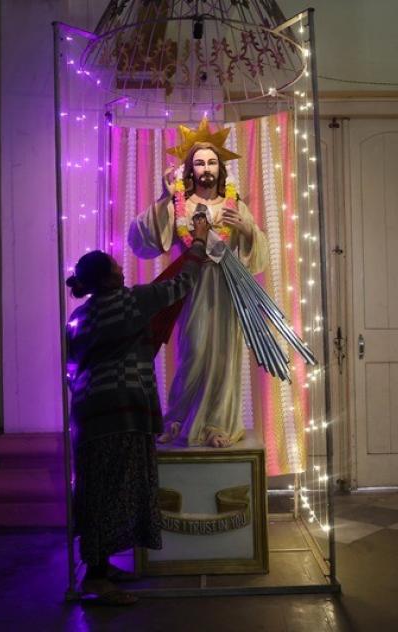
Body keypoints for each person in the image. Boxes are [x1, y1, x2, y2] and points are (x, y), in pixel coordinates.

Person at [66, 218, 209, 605]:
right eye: (115, 266)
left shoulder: (79, 317)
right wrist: (198, 243)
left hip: (88, 413)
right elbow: (182, 283)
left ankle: (99, 565)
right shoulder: (131, 301)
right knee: (114, 489)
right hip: (121, 411)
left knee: (94, 488)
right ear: (107, 278)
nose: (122, 268)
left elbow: (71, 365)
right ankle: (96, 579)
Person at [128, 119, 269, 448]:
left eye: (212, 162)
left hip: (227, 289)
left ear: (221, 169)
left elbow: (260, 255)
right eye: (200, 162)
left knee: (223, 357)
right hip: (191, 289)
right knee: (193, 353)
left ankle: (218, 423)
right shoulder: (179, 204)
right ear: (190, 169)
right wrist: (164, 198)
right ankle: (179, 419)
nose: (206, 168)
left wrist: (247, 229)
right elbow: (143, 241)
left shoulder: (236, 206)